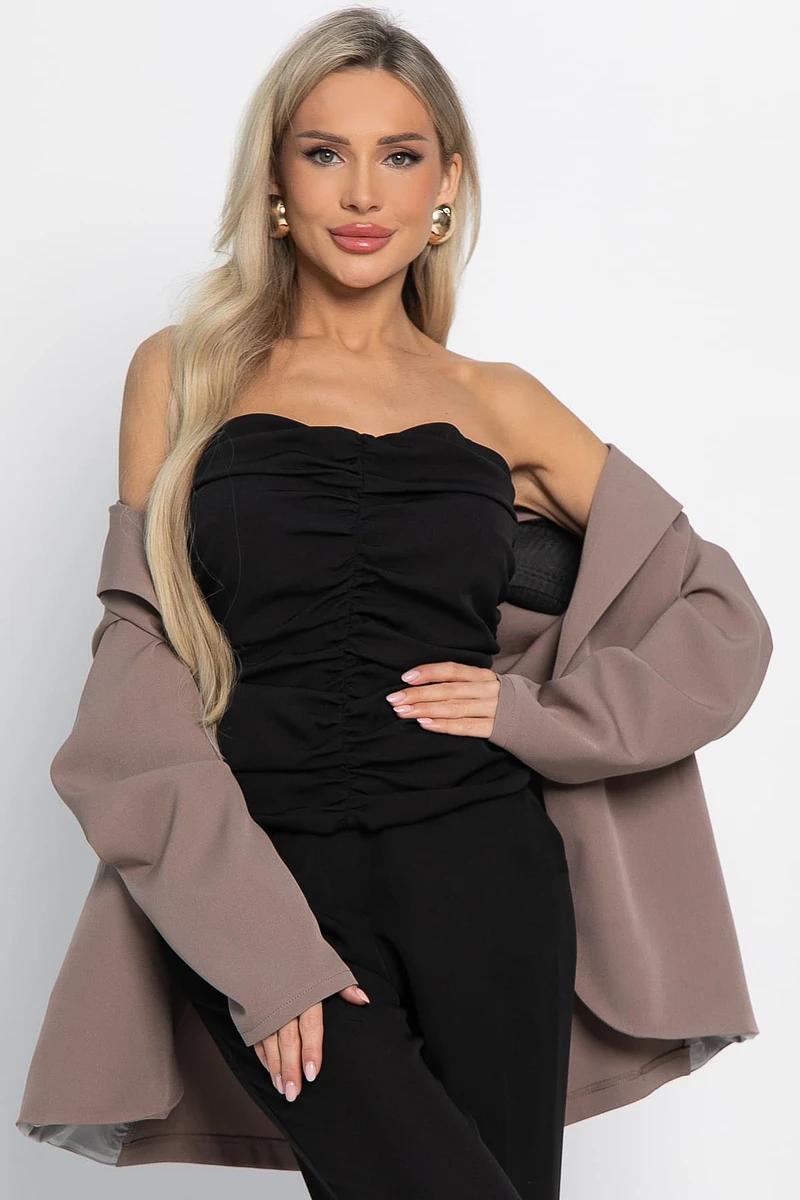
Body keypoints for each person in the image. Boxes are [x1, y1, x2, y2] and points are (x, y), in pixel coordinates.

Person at [16, 7, 772, 1199]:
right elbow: (138, 659)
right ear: (276, 179)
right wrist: (260, 951)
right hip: (260, 873)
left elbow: (714, 615)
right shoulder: (184, 371)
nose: (362, 192)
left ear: (445, 183)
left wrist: (532, 714)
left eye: (400, 154)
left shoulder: (498, 400)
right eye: (324, 152)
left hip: (486, 879)